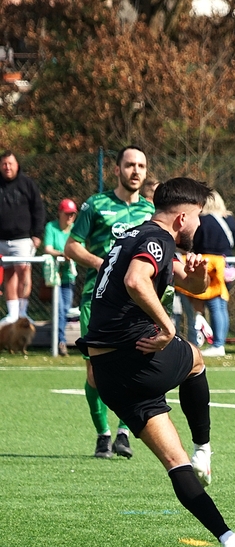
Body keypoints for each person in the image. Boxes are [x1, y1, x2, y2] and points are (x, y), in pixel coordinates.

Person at [77, 177, 235, 547]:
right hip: (135, 357)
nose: (200, 226)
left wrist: (199, 274)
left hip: (109, 375)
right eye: (199, 217)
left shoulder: (134, 236)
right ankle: (205, 449)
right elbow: (136, 280)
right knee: (196, 359)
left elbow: (191, 285)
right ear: (182, 218)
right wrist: (167, 327)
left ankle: (230, 540)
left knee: (174, 461)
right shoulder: (158, 238)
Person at [64, 145, 155, 459]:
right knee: (95, 373)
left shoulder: (150, 212)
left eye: (141, 165)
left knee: (133, 367)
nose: (135, 170)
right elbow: (71, 246)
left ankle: (123, 432)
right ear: (117, 169)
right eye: (130, 165)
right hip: (96, 298)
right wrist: (101, 263)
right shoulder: (96, 205)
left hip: (134, 302)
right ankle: (102, 433)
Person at [177, 190, 235, 357]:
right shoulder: (229, 220)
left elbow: (196, 243)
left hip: (209, 265)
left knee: (213, 306)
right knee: (221, 305)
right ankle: (220, 342)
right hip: (227, 265)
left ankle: (216, 344)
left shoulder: (203, 220)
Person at [0, 151, 45, 325]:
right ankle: (12, 314)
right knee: (9, 274)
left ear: (17, 165)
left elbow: (38, 209)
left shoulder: (27, 184)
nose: (7, 167)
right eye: (4, 164)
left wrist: (37, 234)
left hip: (23, 239)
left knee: (24, 272)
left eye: (10, 163)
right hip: (2, 241)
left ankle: (22, 313)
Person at [43, 198, 79, 356]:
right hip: (55, 276)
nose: (70, 217)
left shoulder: (76, 229)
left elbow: (80, 248)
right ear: (60, 213)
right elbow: (48, 248)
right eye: (67, 214)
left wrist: (72, 254)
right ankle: (61, 341)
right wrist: (62, 254)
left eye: (72, 214)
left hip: (69, 276)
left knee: (65, 309)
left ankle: (59, 339)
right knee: (59, 310)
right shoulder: (51, 227)